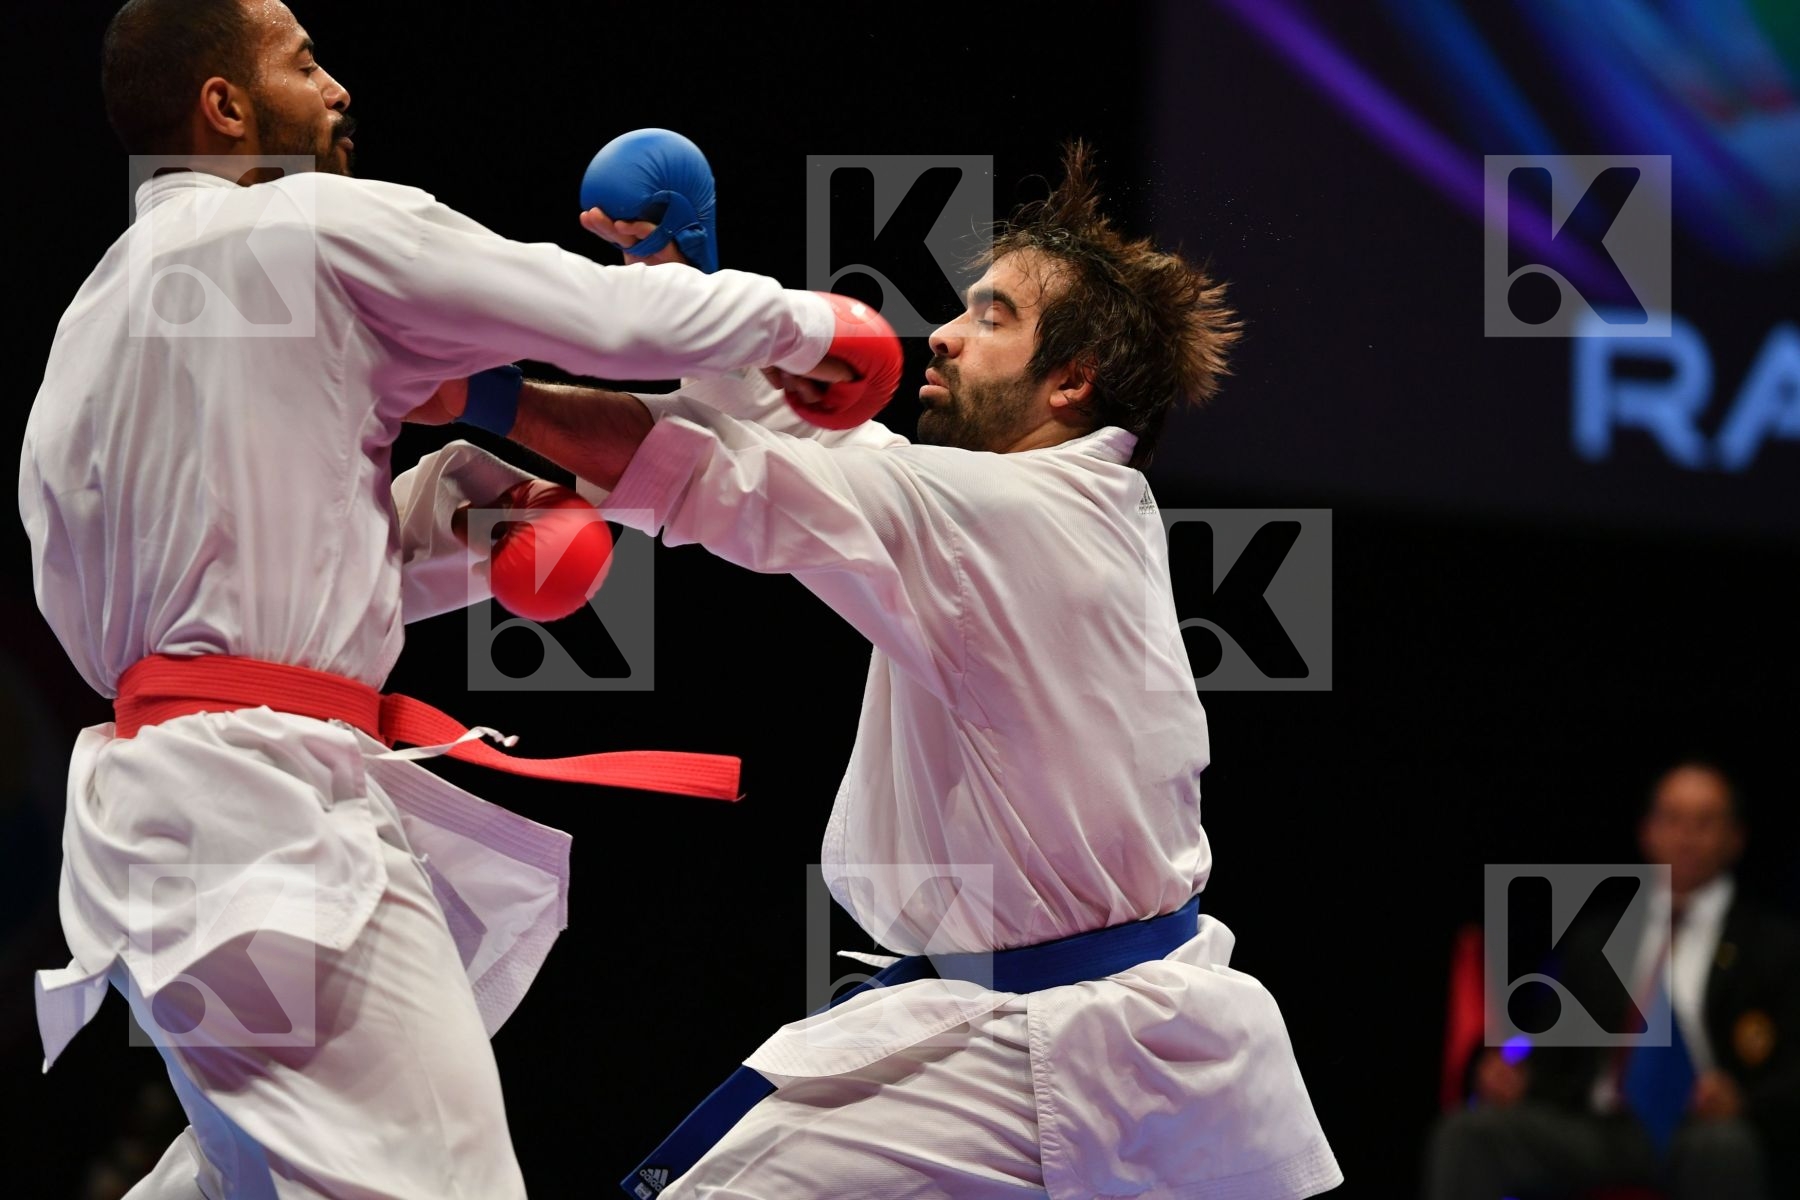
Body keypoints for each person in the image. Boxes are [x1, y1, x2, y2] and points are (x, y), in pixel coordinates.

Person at [21, 2, 880, 1196]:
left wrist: (465, 533)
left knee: (255, 1176)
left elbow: (212, 608)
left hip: (150, 822)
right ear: (222, 105)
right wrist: (808, 322)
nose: (337, 89)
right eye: (303, 63)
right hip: (264, 821)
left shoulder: (91, 319)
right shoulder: (306, 221)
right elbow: (597, 316)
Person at [438, 139, 1345, 1199]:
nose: (946, 336)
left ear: (1071, 381)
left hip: (1051, 1053)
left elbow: (727, 480)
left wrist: (483, 394)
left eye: (992, 318)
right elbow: (824, 459)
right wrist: (685, 292)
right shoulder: (1058, 506)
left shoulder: (1006, 518)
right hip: (1121, 1041)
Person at [1424, 761, 1800, 1200]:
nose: (1686, 837)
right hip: (1598, 1127)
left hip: (1700, 1130)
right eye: (1672, 819)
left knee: (1725, 1146)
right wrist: (1517, 1076)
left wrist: (1744, 1100)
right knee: (1470, 1133)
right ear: (1647, 831)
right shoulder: (1600, 935)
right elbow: (1551, 1052)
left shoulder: (1775, 946)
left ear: (1736, 838)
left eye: (1705, 822)